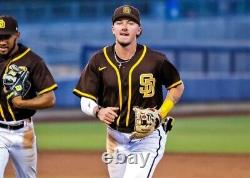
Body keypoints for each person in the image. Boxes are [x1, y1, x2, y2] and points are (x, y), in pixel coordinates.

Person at [73, 5, 184, 178]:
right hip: (114, 138)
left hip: (147, 138)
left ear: (139, 30)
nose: (124, 27)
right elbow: (85, 99)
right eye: (119, 22)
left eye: (130, 23)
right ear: (113, 29)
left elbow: (177, 87)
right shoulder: (98, 60)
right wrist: (98, 111)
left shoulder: (156, 60)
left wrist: (161, 114)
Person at [0, 15, 57, 178]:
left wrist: (22, 103)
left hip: (23, 131)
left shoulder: (33, 61)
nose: (2, 41)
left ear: (17, 35)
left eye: (6, 36)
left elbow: (49, 98)